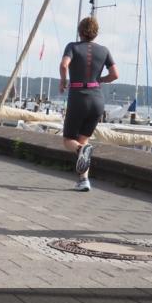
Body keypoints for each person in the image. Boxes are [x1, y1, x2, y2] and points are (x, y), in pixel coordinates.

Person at [59, 17, 118, 192]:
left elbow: (64, 65)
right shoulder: (104, 50)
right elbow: (115, 74)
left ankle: (81, 153)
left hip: (79, 98)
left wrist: (63, 81)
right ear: (96, 33)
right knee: (83, 141)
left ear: (79, 31)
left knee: (69, 140)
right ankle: (84, 180)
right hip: (97, 100)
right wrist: (100, 79)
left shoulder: (72, 47)